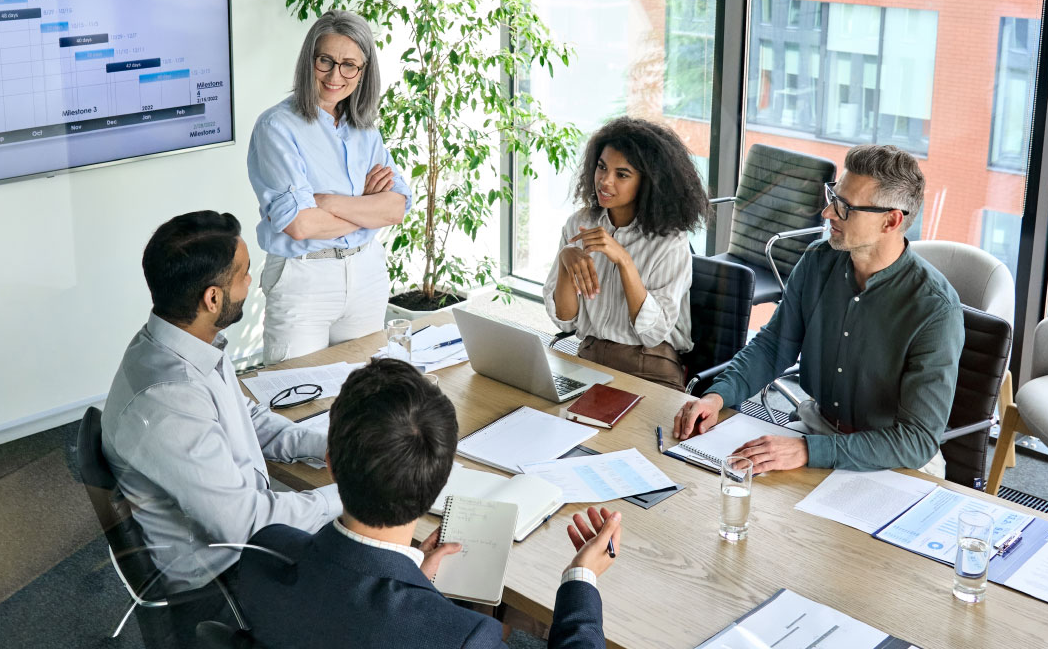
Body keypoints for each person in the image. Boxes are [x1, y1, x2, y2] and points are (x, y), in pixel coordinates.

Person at [236, 358, 620, 648]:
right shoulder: (461, 636)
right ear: (439, 485)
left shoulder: (264, 553)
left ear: (331, 464)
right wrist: (581, 580)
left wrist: (415, 575)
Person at [101, 211, 341, 644]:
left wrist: (338, 447)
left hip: (236, 538)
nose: (253, 284)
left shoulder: (186, 344)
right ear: (213, 298)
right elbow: (247, 526)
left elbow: (249, 419)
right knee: (379, 578)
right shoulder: (168, 399)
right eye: (244, 275)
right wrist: (353, 493)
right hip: (220, 586)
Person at [674, 145, 963, 477]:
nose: (827, 213)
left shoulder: (936, 309)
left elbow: (915, 441)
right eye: (832, 197)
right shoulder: (817, 260)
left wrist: (807, 450)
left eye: (845, 208)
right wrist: (716, 398)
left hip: (894, 461)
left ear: (891, 221)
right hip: (816, 429)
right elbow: (771, 347)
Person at [247, 10, 412, 365]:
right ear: (310, 60)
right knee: (296, 399)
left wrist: (327, 202)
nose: (336, 75)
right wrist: (367, 208)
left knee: (366, 399)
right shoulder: (277, 127)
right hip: (304, 277)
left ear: (363, 71)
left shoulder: (366, 128)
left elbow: (396, 208)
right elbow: (301, 224)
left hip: (366, 274)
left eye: (349, 64)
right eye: (326, 61)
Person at [543, 116, 710, 390]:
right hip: (590, 357)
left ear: (648, 182)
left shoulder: (670, 242)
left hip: (649, 367)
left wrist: (623, 260)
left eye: (622, 174)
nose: (605, 181)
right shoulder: (578, 224)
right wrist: (565, 262)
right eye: (601, 167)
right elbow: (565, 320)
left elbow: (654, 333)